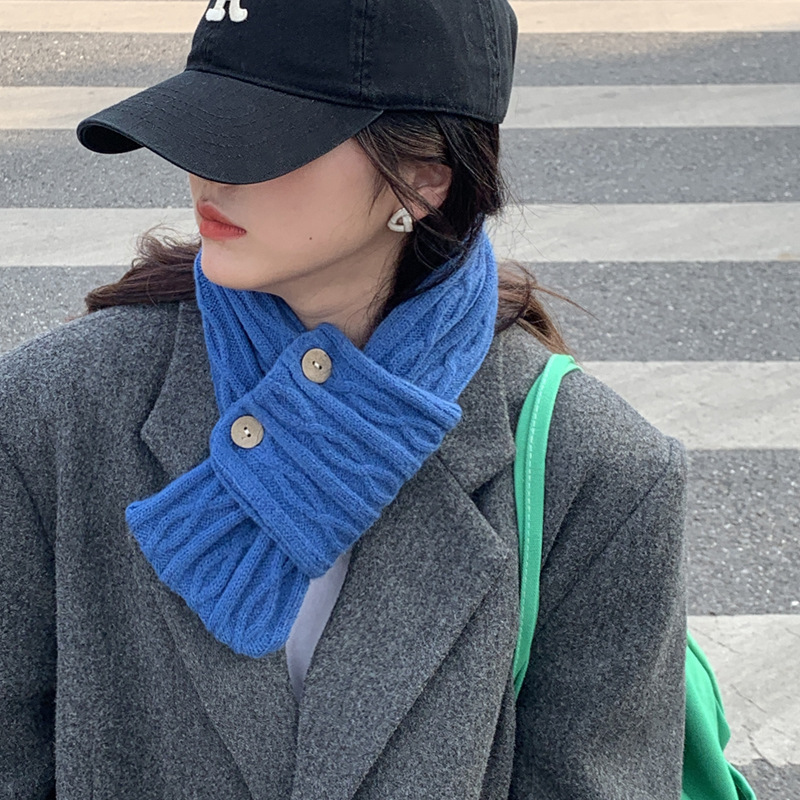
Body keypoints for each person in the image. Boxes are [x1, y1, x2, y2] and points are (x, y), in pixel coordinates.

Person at [0, 1, 688, 798]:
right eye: (200, 124)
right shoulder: (54, 411)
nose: (208, 174)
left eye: (264, 135)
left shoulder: (597, 471)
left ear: (426, 178)